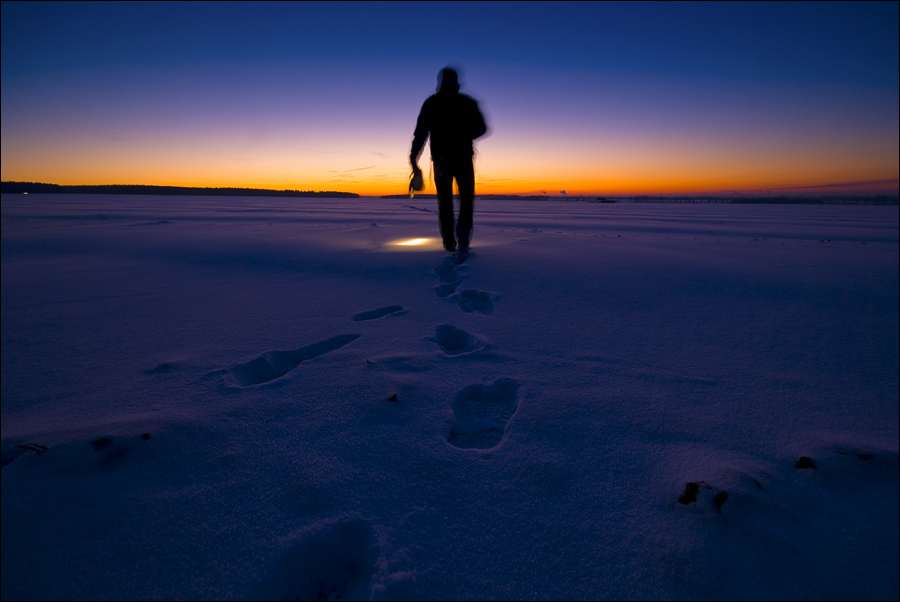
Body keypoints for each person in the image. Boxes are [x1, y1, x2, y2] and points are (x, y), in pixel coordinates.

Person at [410, 67, 488, 253]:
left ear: (441, 82)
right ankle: (462, 239)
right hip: (461, 161)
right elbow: (482, 128)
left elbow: (420, 135)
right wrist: (466, 135)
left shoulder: (432, 103)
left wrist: (414, 159)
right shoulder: (466, 102)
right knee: (466, 201)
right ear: (456, 82)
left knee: (445, 203)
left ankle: (449, 241)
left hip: (442, 162)